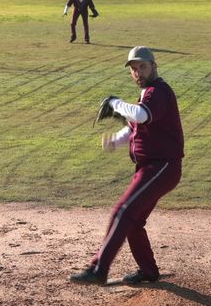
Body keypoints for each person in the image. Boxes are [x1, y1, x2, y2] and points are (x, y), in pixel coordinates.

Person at [70, 46, 184, 286]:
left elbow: (141, 115)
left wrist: (115, 102)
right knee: (132, 220)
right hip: (150, 168)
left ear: (154, 66)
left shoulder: (158, 91)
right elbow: (135, 126)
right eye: (133, 69)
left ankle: (98, 268)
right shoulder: (145, 96)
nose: (138, 72)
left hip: (162, 167)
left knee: (123, 211)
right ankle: (149, 271)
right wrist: (116, 140)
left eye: (142, 66)